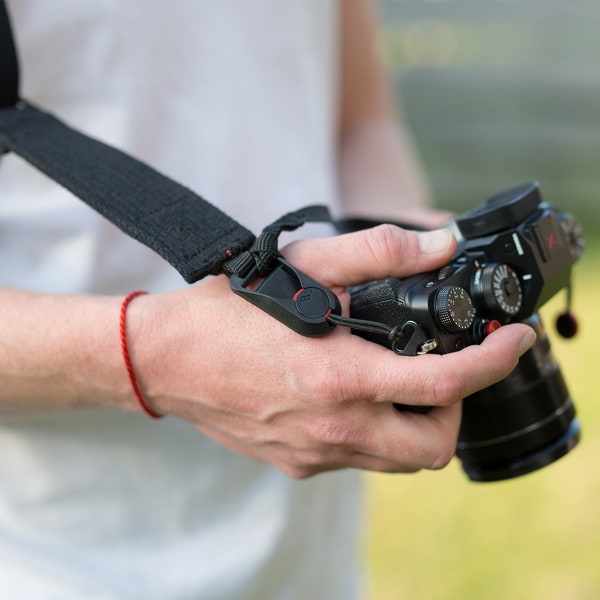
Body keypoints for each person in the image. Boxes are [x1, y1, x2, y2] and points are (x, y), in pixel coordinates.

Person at [0, 1, 535, 598]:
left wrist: (413, 264)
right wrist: (157, 357)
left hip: (313, 562)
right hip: (59, 565)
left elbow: (360, 123)